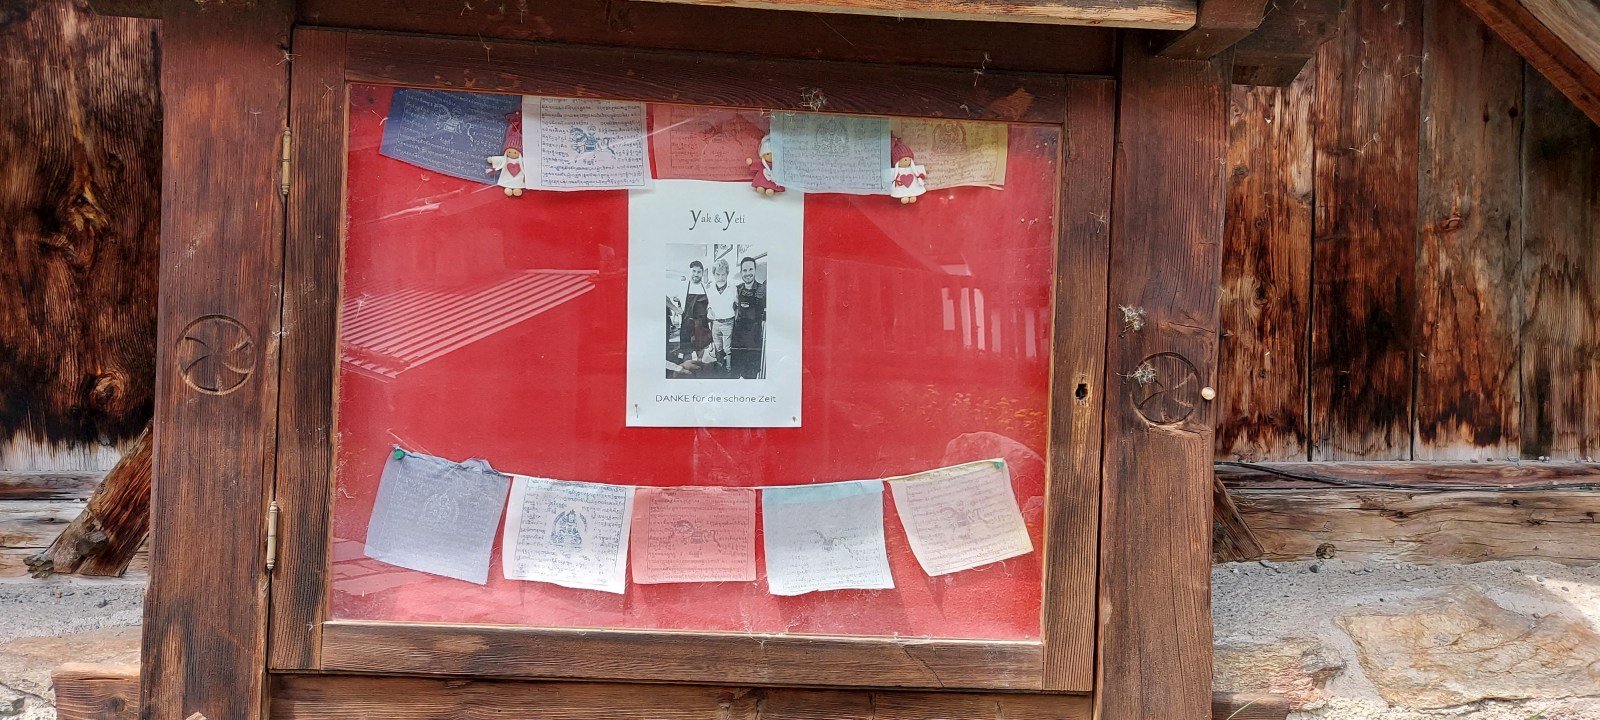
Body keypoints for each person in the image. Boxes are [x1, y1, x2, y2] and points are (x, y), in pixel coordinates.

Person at [731, 256, 766, 379]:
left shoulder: (763, 290)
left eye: (750, 269)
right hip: (737, 341)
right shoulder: (737, 290)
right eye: (744, 270)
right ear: (741, 272)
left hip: (753, 343)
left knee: (750, 378)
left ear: (755, 270)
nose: (747, 273)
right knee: (735, 376)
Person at [705, 259, 737, 370]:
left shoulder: (733, 288)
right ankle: (719, 366)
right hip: (715, 323)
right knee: (718, 347)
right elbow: (707, 304)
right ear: (714, 275)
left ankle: (728, 368)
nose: (721, 277)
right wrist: (709, 310)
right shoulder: (709, 289)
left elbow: (737, 304)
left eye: (723, 274)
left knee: (727, 348)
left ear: (727, 274)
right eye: (718, 274)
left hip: (728, 323)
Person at [678, 261, 711, 362]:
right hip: (687, 323)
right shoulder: (682, 287)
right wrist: (676, 308)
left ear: (702, 273)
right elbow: (667, 297)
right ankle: (687, 368)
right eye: (694, 271)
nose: (696, 274)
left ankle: (699, 364)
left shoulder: (707, 288)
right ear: (690, 272)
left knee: (700, 350)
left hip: (702, 323)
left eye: (699, 272)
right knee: (686, 352)